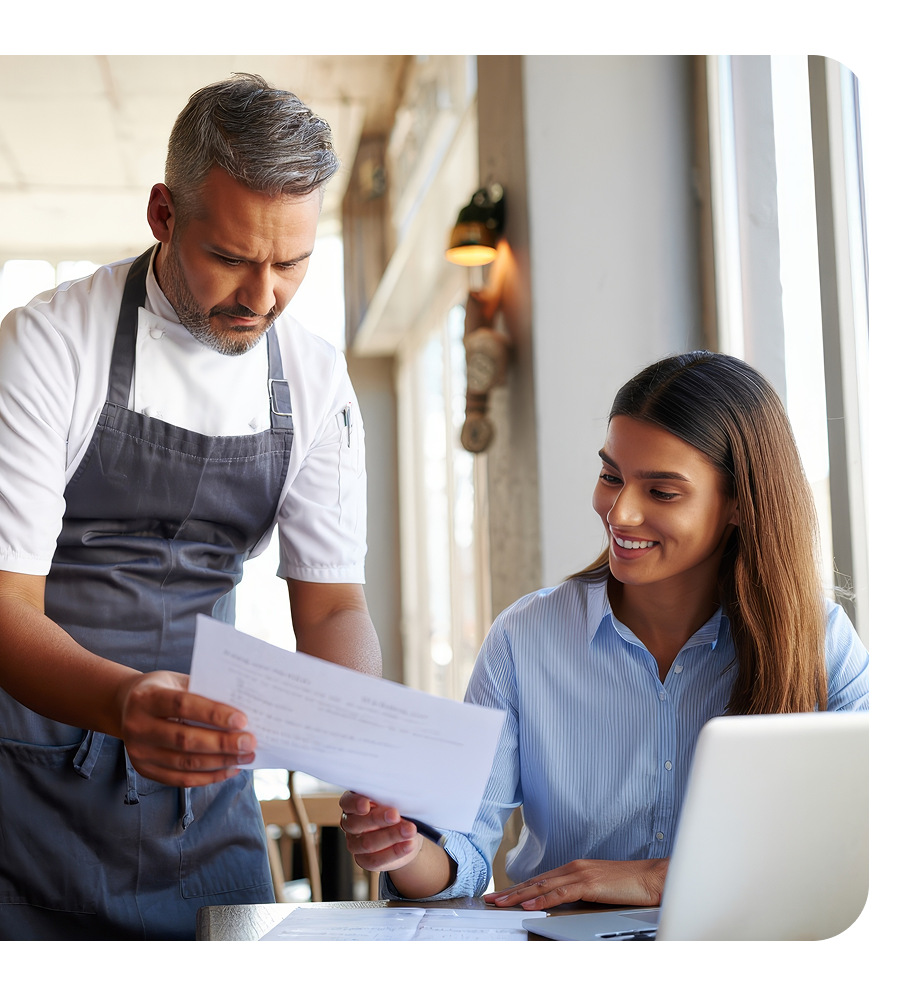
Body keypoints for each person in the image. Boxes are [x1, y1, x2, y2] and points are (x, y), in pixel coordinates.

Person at [0, 75, 381, 940]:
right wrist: (128, 705)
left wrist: (365, 738)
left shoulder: (313, 382)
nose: (262, 297)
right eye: (231, 257)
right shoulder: (47, 347)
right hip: (16, 788)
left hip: (199, 789)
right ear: (164, 213)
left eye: (292, 263)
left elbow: (335, 603)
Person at [340, 351, 869, 907]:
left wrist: (658, 879)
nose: (620, 513)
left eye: (661, 492)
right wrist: (402, 851)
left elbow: (852, 840)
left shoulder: (819, 643)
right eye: (610, 476)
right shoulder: (525, 638)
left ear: (739, 504)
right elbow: (464, 851)